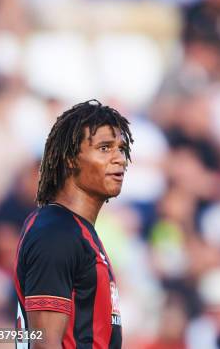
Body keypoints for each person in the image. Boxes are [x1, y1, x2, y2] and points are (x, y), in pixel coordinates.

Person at [13, 99, 133, 349]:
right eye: (104, 148)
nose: (119, 159)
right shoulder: (57, 232)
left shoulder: (77, 231)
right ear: (70, 159)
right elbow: (44, 342)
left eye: (121, 148)